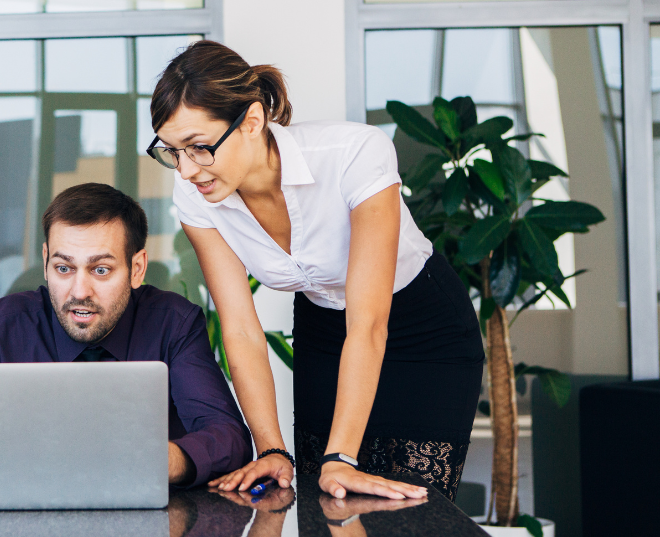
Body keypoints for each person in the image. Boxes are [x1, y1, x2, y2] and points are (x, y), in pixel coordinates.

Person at [146, 41, 484, 501]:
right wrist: (270, 448)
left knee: (407, 509)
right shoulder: (197, 195)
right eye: (171, 152)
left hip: (422, 327)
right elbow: (241, 329)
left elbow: (368, 323)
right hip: (322, 327)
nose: (185, 170)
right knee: (323, 499)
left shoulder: (353, 154)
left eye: (198, 148)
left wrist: (341, 457)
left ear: (251, 121)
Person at [0, 183, 251, 487]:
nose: (79, 292)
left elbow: (228, 437)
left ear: (137, 268)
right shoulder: (5, 325)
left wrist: (160, 460)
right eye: (63, 268)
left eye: (100, 270)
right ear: (46, 261)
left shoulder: (174, 324)